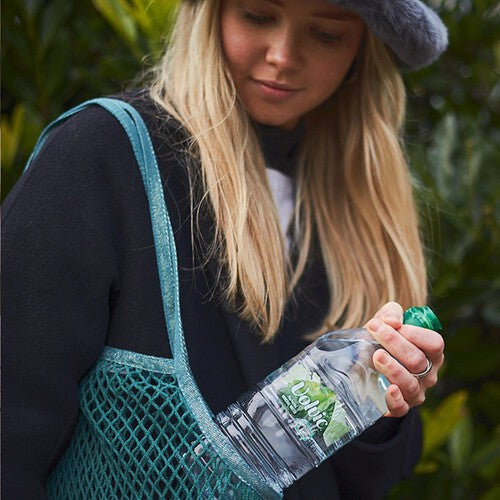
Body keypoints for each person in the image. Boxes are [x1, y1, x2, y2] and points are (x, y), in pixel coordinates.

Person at [2, 0, 448, 498]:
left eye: (326, 34)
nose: (282, 56)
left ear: (364, 51)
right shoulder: (104, 155)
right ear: (209, 14)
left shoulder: (362, 208)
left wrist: (384, 393)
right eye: (257, 15)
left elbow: (358, 480)